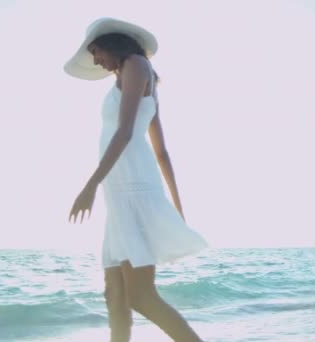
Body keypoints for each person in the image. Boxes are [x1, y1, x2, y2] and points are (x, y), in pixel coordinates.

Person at [64, 17, 209, 342]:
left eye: (96, 50)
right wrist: (177, 207)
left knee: (141, 296)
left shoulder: (137, 64)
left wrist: (89, 186)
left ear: (113, 44)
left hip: (133, 189)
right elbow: (162, 153)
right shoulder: (134, 75)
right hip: (118, 195)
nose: (95, 59)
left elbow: (127, 133)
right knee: (114, 298)